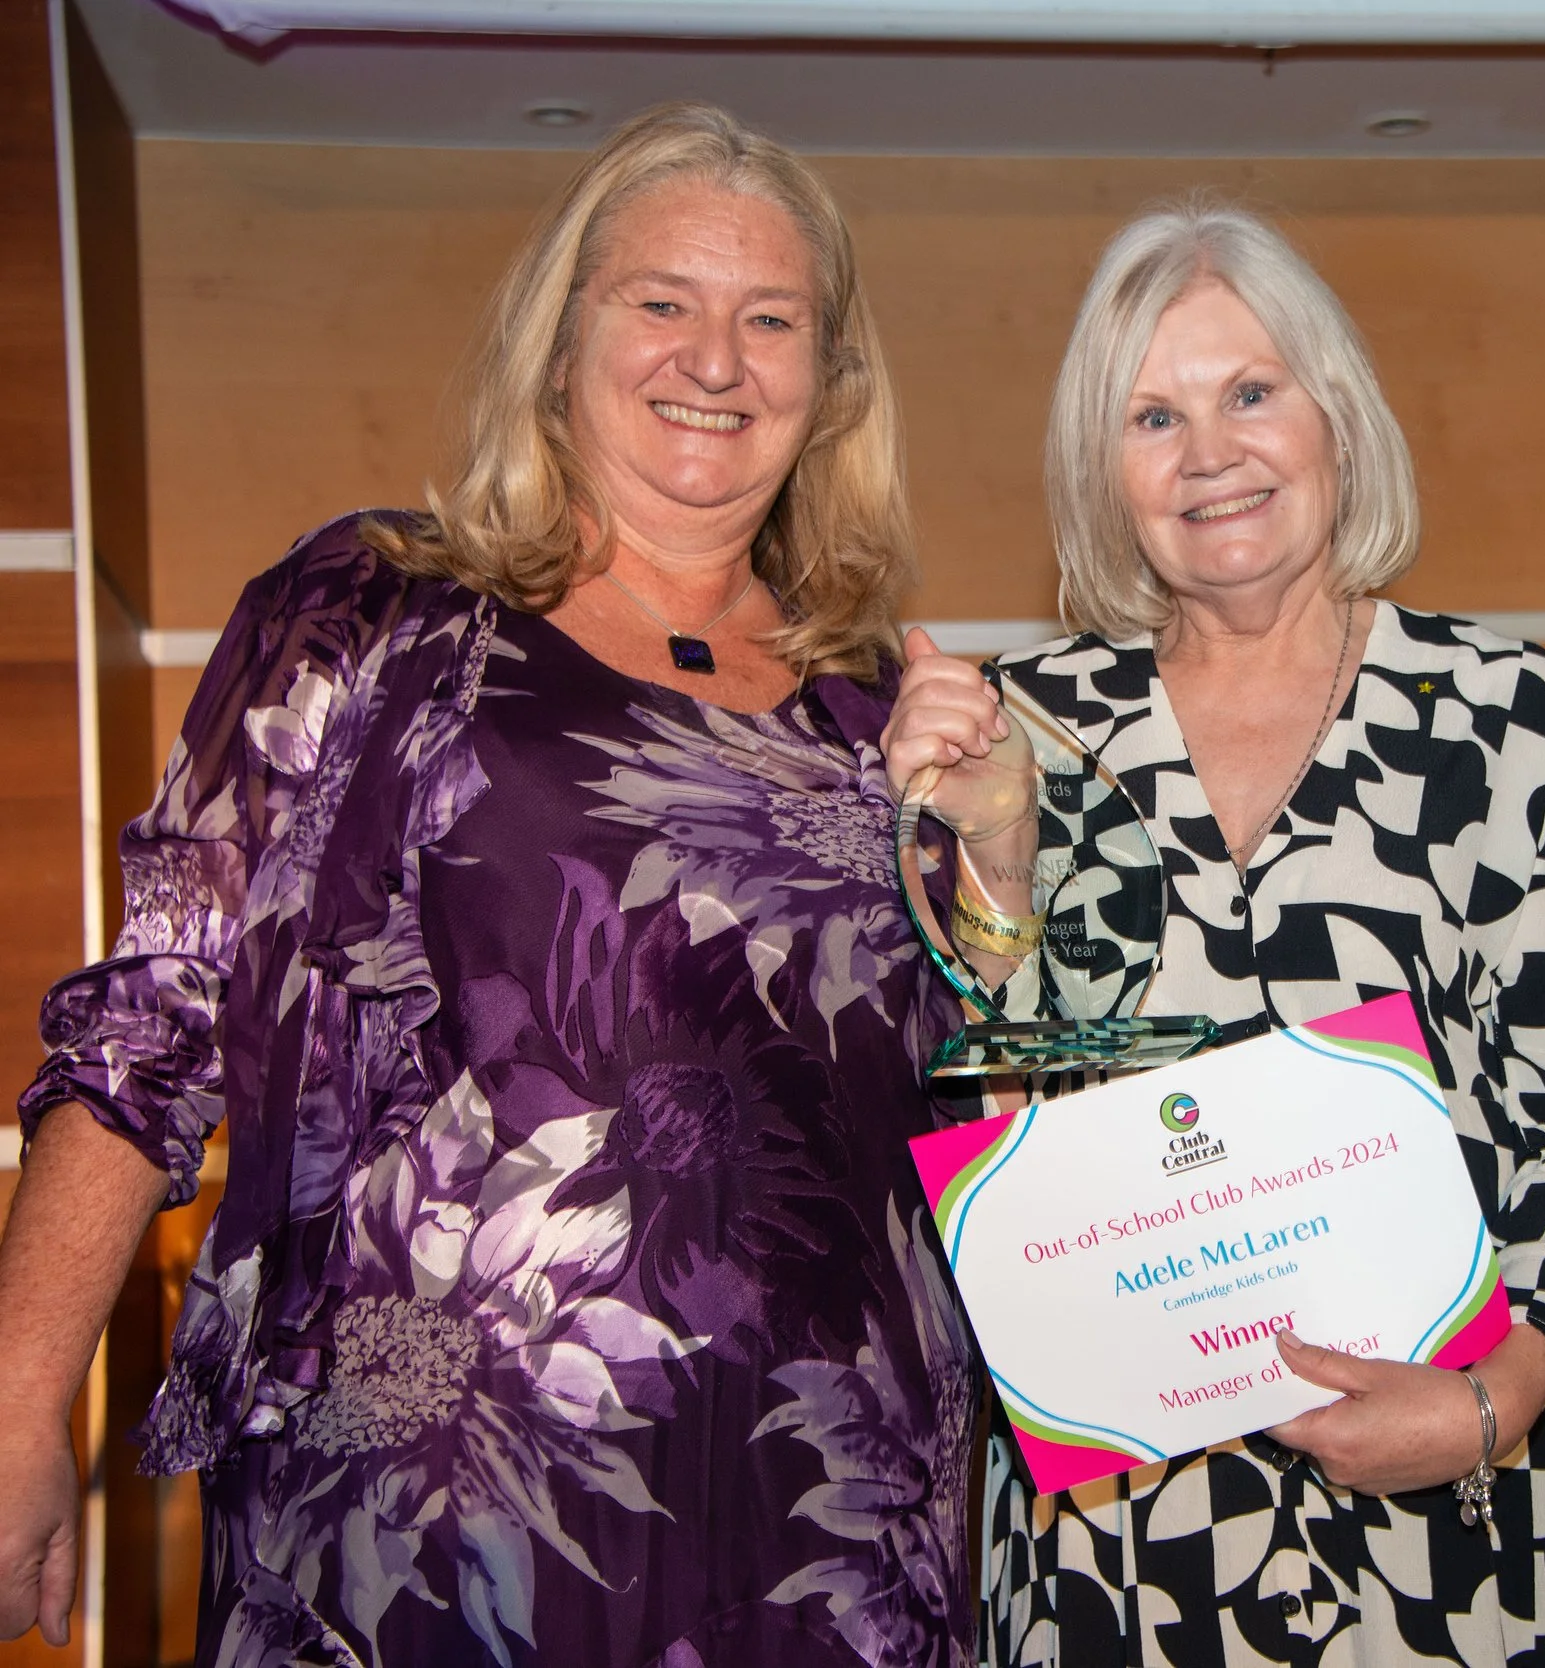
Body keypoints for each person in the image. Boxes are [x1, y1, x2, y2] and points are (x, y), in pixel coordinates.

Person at [0, 104, 979, 1667]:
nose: (714, 360)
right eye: (661, 301)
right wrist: (15, 1397)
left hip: (843, 1542)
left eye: (770, 318)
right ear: (561, 334)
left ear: (831, 382)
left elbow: (969, 1102)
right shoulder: (378, 611)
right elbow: (156, 1017)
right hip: (444, 1526)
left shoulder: (881, 710)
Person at [884, 201, 1545, 1667]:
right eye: (1153, 416)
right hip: (1131, 1543)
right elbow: (998, 1108)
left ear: (1338, 417)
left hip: (1476, 1516)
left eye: (1252, 392)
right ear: (1101, 474)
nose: (1210, 454)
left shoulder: (1501, 715)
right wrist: (985, 847)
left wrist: (1496, 1397)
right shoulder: (1031, 729)